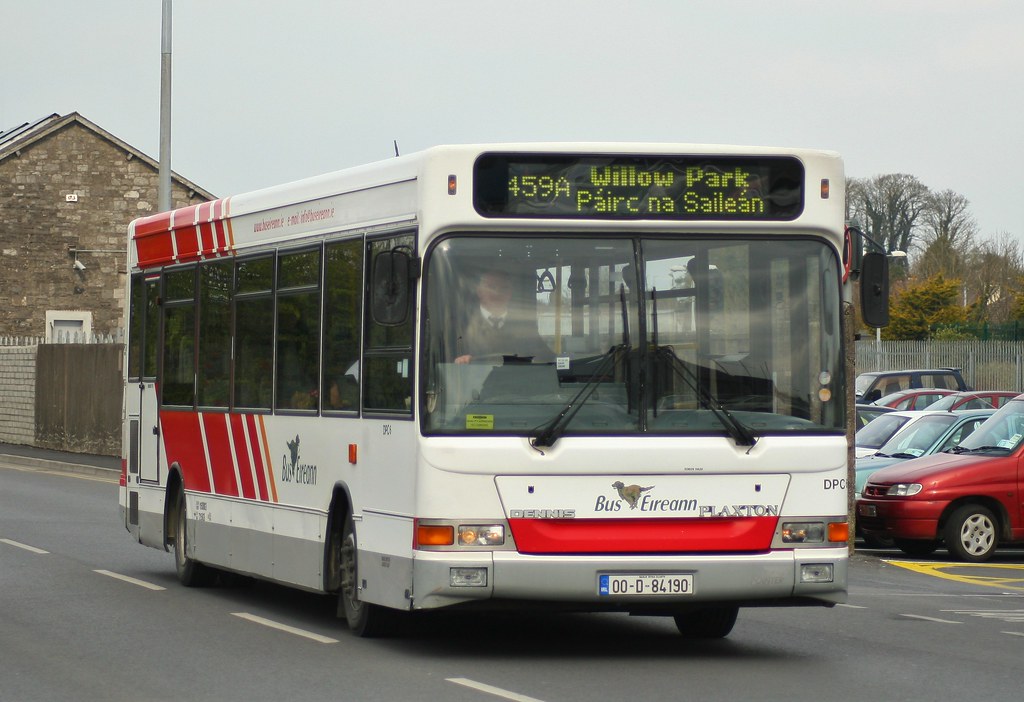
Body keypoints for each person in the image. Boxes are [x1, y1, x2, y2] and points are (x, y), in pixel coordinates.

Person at [454, 269, 550, 364]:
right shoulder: (460, 325)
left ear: (510, 293)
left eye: (504, 288)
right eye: (491, 287)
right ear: (479, 291)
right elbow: (444, 364)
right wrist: (459, 360)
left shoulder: (524, 326)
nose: (497, 292)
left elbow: (547, 357)